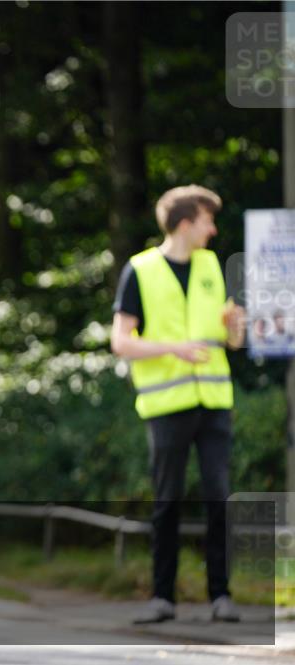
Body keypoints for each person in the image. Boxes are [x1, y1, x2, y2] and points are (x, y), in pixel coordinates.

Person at [111, 184, 245, 624]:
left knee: (219, 497)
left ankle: (221, 596)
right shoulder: (140, 270)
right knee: (168, 499)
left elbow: (230, 340)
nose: (213, 229)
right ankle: (162, 598)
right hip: (167, 404)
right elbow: (120, 342)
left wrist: (236, 328)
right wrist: (175, 349)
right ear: (185, 223)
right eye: (208, 220)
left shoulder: (211, 265)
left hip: (214, 400)